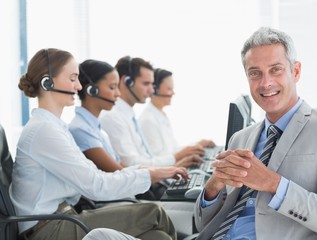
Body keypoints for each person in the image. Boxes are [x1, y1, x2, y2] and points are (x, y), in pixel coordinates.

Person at [194, 27, 317, 239]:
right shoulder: (240, 138)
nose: (265, 83)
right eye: (255, 73)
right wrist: (213, 187)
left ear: (296, 71)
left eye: (276, 69)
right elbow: (203, 224)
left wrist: (273, 184)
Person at [10, 48, 187, 240]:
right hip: (48, 228)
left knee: (157, 236)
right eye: (72, 78)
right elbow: (96, 185)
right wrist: (149, 174)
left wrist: (150, 172)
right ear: (48, 82)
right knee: (155, 212)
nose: (79, 87)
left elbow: (95, 176)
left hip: (65, 217)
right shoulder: (44, 131)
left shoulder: (55, 128)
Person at [100, 56, 204, 168]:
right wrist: (176, 159)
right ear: (127, 81)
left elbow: (147, 159)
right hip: (145, 183)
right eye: (146, 84)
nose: (151, 90)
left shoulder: (128, 115)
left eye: (152, 84)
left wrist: (177, 163)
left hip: (152, 178)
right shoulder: (113, 117)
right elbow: (130, 164)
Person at [138, 67, 216, 159]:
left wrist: (197, 145)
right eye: (169, 89)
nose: (173, 93)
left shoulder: (161, 114)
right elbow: (158, 158)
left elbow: (173, 149)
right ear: (155, 90)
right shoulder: (148, 120)